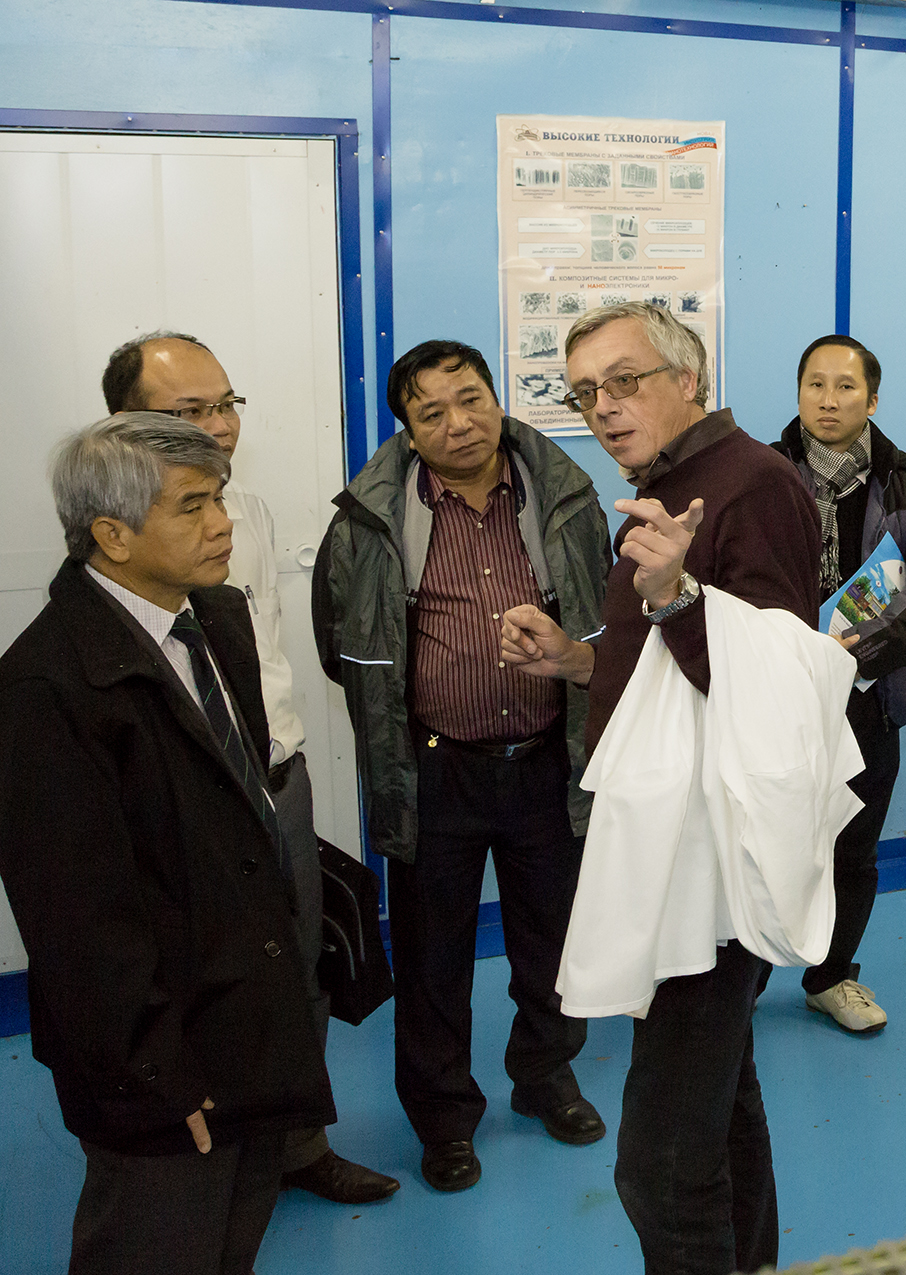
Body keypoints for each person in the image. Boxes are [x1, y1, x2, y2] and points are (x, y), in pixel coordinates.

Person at [498, 300, 822, 1275]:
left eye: (624, 379)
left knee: (661, 1168)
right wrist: (573, 660)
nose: (603, 405)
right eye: (584, 392)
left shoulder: (752, 485)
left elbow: (777, 690)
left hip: (711, 870)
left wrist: (675, 595)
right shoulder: (669, 486)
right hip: (672, 848)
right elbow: (661, 669)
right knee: (721, 1103)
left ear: (689, 379)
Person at [0, 413, 333, 1274]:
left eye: (219, 497)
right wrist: (154, 1078)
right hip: (164, 1056)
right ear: (111, 535)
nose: (222, 523)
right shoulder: (47, 687)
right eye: (192, 506)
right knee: (158, 1240)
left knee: (235, 1236)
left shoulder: (215, 616)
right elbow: (78, 926)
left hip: (248, 1016)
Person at [99, 331, 400, 1206]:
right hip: (192, 800)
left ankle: (295, 1145)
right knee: (200, 983)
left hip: (274, 777)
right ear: (124, 424)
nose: (221, 425)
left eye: (226, 403)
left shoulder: (251, 512)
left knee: (298, 965)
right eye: (190, 409)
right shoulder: (118, 536)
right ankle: (206, 1165)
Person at [312, 339, 613, 1193]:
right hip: (435, 774)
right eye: (432, 411)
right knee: (432, 959)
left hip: (548, 763)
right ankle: (444, 1118)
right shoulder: (369, 521)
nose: (459, 423)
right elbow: (342, 647)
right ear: (408, 432)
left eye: (471, 398)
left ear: (497, 399)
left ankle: (545, 1075)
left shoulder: (565, 499)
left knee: (553, 944)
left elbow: (603, 615)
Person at [772, 334, 906, 1033]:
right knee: (763, 846)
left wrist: (860, 652)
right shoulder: (762, 475)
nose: (828, 399)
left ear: (872, 400)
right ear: (799, 393)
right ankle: (739, 982)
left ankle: (830, 978)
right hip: (778, 695)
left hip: (868, 695)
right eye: (815, 384)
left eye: (846, 386)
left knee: (853, 848)